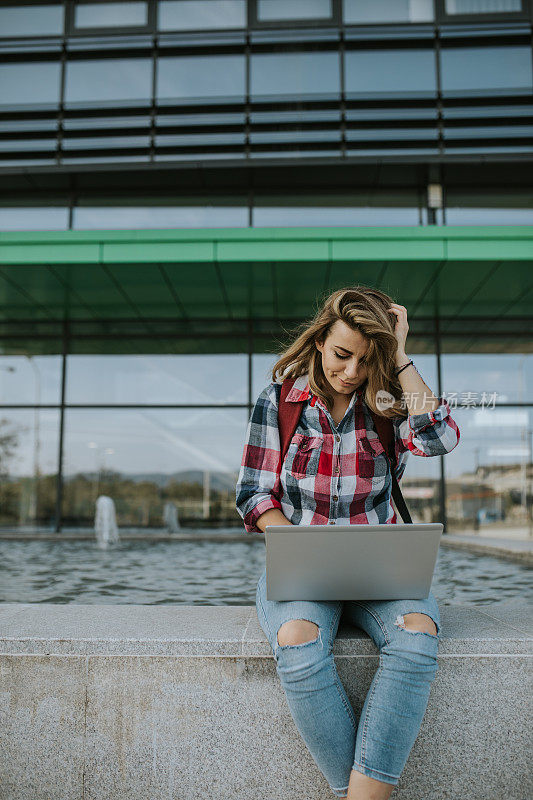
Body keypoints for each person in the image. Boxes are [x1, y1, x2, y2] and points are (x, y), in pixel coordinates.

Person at [235, 285, 460, 800]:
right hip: (303, 562)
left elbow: (440, 438)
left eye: (366, 358)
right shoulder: (280, 400)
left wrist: (400, 357)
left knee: (417, 635)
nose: (352, 371)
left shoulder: (387, 399)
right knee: (297, 639)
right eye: (342, 354)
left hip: (380, 566)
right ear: (318, 340)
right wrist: (293, 542)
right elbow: (253, 494)